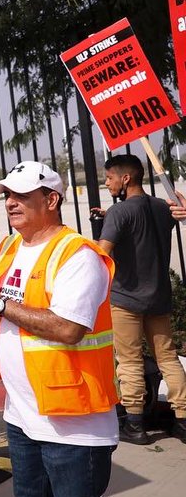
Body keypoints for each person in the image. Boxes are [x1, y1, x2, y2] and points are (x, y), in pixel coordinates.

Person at [0, 161, 122, 497]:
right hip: (22, 415)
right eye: (8, 195)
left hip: (73, 422)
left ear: (51, 200)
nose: (11, 202)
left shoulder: (77, 255)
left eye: (22, 195)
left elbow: (68, 328)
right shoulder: (10, 247)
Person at [91, 154, 186, 444]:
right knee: (168, 357)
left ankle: (134, 424)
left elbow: (103, 253)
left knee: (129, 360)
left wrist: (99, 235)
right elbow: (142, 230)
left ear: (126, 178)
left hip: (126, 298)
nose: (106, 183)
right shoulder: (162, 208)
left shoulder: (120, 212)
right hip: (158, 296)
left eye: (109, 178)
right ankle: (182, 419)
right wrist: (111, 220)